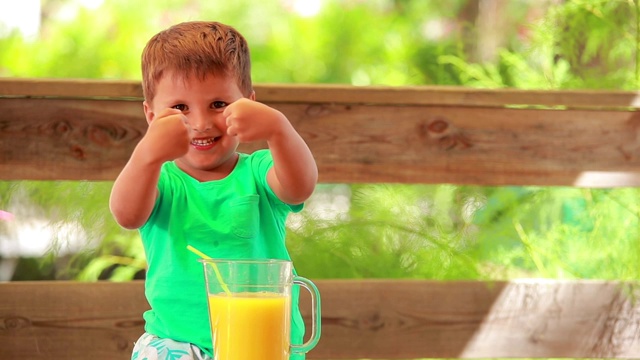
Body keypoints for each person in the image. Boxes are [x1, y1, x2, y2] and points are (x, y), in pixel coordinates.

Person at [109, 21, 318, 360]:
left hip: (260, 342)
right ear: (151, 116)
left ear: (249, 103)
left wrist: (278, 129)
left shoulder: (260, 171)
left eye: (219, 104)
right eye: (180, 107)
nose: (201, 123)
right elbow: (127, 214)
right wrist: (146, 154)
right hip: (175, 344)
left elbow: (299, 188)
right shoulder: (158, 181)